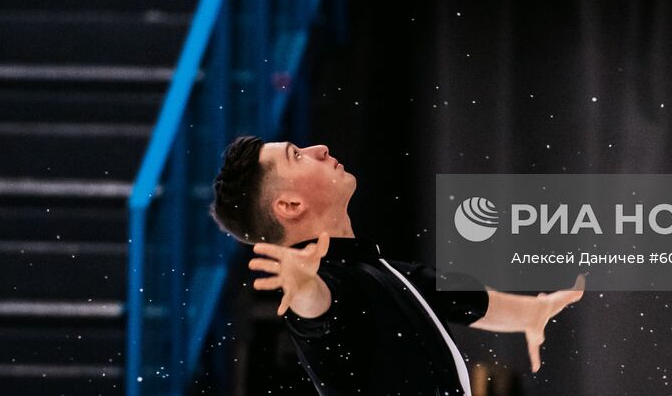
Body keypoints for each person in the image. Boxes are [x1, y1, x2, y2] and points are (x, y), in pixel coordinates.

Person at [210, 135, 584, 395]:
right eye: (296, 155)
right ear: (290, 206)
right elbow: (319, 311)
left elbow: (457, 297)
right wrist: (306, 287)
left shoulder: (379, 270)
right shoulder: (327, 284)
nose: (319, 149)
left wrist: (532, 313)